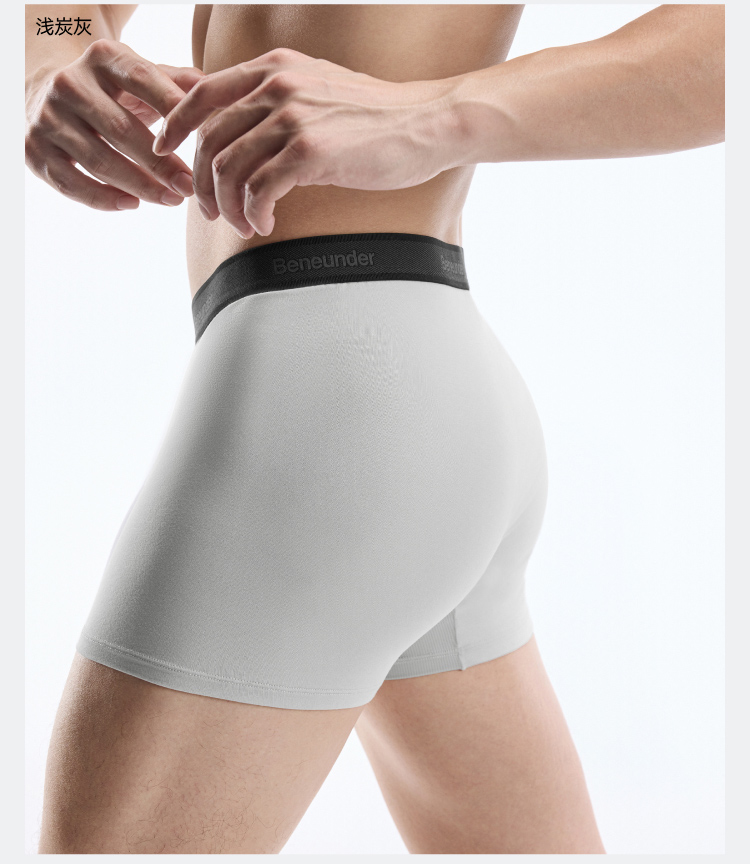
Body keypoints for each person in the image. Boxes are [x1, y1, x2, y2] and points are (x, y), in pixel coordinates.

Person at [25, 3, 724, 854]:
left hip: (331, 403)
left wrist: (434, 115)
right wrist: (53, 62)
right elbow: (64, 13)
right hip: (388, 393)